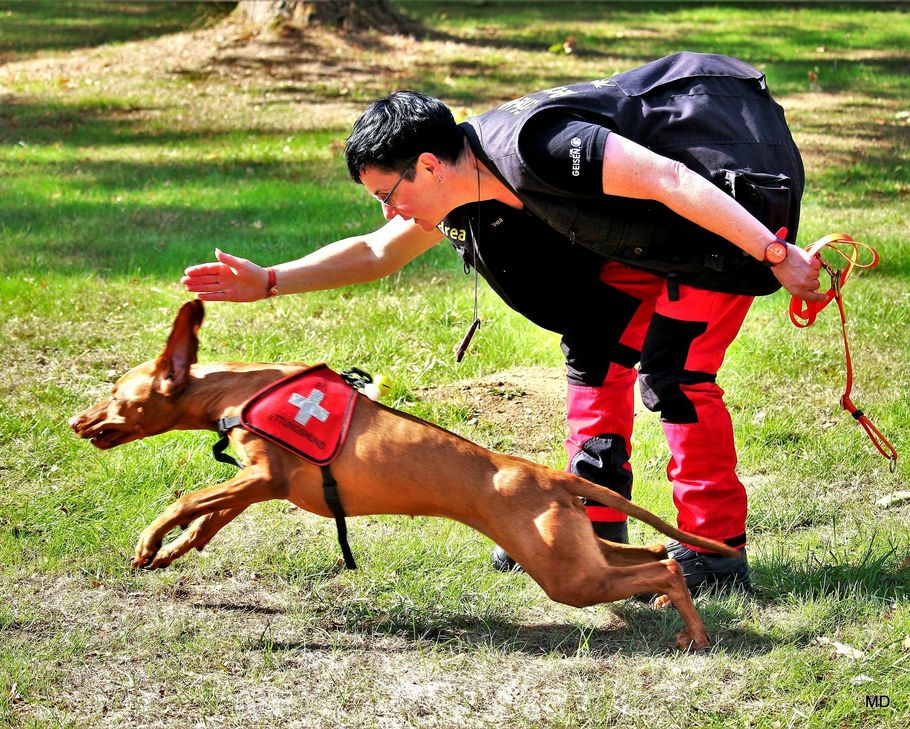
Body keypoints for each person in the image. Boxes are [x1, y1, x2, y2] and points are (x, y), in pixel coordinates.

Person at [182, 52, 825, 593]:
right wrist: (268, 281)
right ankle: (592, 526)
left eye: (388, 194)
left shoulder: (537, 148)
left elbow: (668, 177)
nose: (388, 212)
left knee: (676, 375)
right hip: (641, 241)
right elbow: (378, 253)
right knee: (596, 352)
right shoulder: (463, 188)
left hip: (718, 221)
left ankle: (715, 551)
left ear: (428, 166)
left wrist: (775, 253)